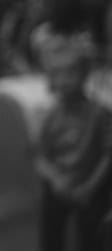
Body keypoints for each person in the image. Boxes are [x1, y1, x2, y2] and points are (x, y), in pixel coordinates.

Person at [35, 31, 112, 251]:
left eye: (71, 72)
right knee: (50, 225)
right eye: (57, 73)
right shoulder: (51, 116)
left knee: (92, 232)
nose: (64, 80)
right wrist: (56, 179)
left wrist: (90, 187)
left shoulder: (99, 114)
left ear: (85, 73)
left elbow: (108, 156)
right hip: (61, 185)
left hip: (91, 185)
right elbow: (40, 156)